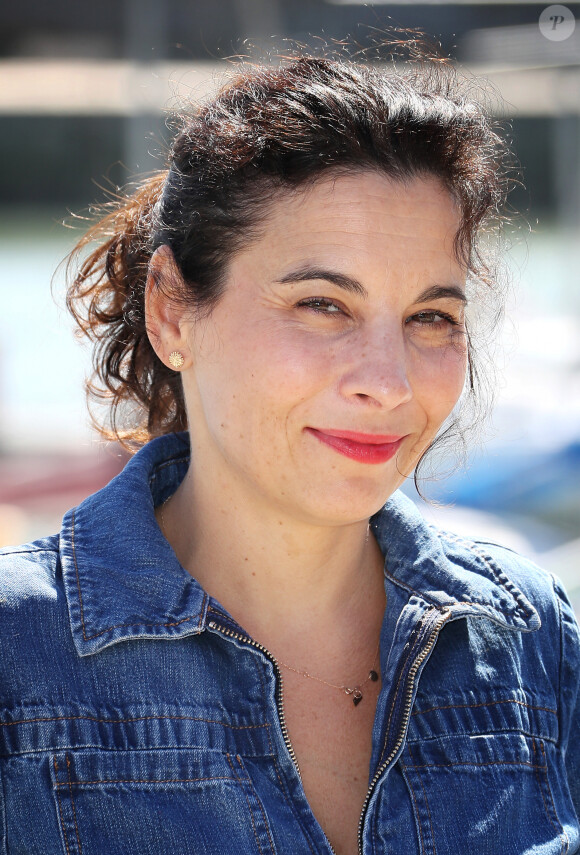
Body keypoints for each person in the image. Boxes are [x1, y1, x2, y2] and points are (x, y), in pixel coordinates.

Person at [0, 50, 578, 855]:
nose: (389, 381)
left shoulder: (535, 638)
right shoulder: (15, 655)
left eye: (431, 316)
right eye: (321, 303)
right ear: (171, 311)